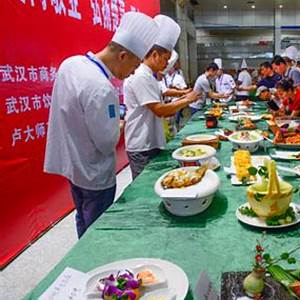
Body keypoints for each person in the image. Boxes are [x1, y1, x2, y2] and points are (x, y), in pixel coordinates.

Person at [44, 12, 159, 238]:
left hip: (73, 167)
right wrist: (120, 124)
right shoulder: (102, 88)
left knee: (82, 217)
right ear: (123, 55)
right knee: (97, 231)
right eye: (134, 65)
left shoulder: (71, 64)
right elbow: (107, 143)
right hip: (95, 174)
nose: (133, 72)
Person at [124, 15, 200, 180]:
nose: (167, 64)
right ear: (154, 54)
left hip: (151, 139)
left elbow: (160, 103)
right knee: (143, 188)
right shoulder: (141, 76)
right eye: (165, 59)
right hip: (141, 143)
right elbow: (159, 110)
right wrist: (187, 99)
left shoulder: (150, 76)